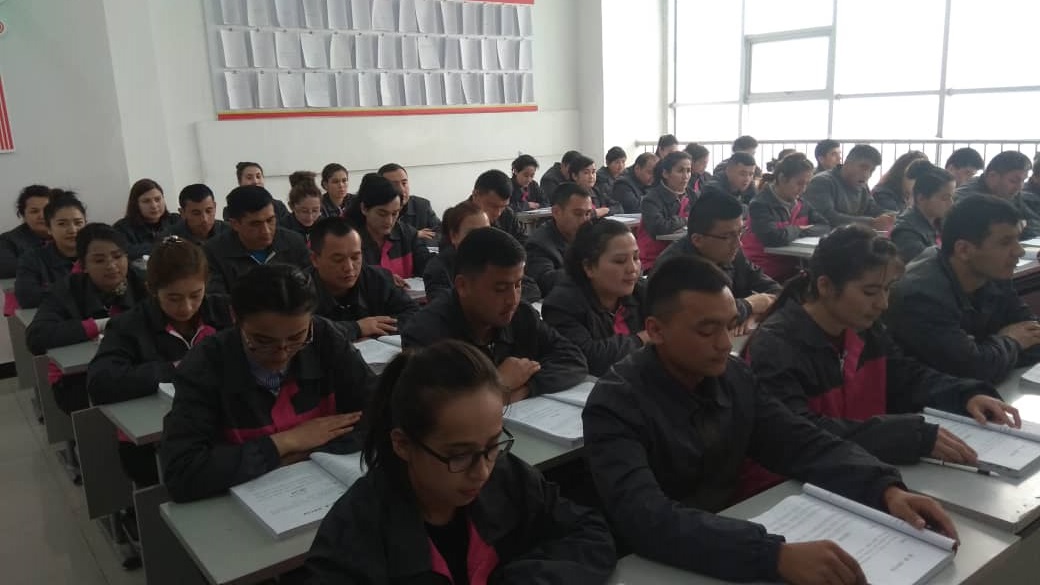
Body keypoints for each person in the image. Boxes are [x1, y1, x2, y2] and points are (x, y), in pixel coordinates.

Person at [582, 254, 957, 583]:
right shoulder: (616, 404)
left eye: (729, 325)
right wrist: (771, 555)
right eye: (707, 330)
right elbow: (646, 519)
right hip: (656, 565)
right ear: (655, 331)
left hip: (730, 539)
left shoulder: (732, 377)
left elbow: (799, 441)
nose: (725, 344)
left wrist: (884, 488)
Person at [306, 340, 616, 583]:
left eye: (492, 445)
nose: (481, 472)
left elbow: (589, 533)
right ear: (403, 444)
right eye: (459, 455)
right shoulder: (355, 531)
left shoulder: (507, 478)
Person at [747, 225, 1017, 487]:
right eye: (870, 292)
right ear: (826, 286)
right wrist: (906, 435)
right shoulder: (775, 346)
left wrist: (965, 395)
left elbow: (905, 376)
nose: (883, 303)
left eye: (887, 288)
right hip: (790, 484)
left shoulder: (863, 328)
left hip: (862, 466)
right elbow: (798, 432)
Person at [159, 264, 374, 503]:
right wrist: (285, 442)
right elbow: (181, 474)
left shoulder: (325, 338)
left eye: (297, 337)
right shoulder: (205, 365)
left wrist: (304, 452)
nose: (282, 353)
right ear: (234, 317)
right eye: (263, 340)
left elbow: (381, 415)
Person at [87, 236, 233, 488]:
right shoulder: (128, 325)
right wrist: (178, 368)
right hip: (153, 439)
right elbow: (101, 383)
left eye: (196, 295)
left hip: (220, 424)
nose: (186, 307)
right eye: (173, 298)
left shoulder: (224, 310)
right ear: (152, 290)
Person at [403, 227, 587, 402]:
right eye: (500, 289)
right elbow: (433, 407)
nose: (512, 300)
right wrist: (496, 384)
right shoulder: (426, 334)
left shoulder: (521, 315)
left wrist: (524, 389)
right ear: (463, 286)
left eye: (518, 285)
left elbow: (573, 359)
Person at [887, 195, 1040, 384]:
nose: (1019, 251)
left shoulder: (994, 273)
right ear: (964, 250)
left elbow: (1032, 332)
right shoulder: (921, 295)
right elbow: (972, 369)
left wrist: (994, 353)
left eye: (1017, 239)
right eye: (1005, 242)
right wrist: (1012, 341)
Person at [27, 223, 147, 415]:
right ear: (83, 265)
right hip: (78, 377)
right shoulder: (66, 290)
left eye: (118, 257)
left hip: (130, 368)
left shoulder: (144, 284)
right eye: (99, 260)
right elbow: (37, 337)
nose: (112, 266)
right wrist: (99, 325)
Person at [656, 193, 780, 332]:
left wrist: (756, 315)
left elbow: (777, 291)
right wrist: (750, 305)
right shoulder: (672, 268)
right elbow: (702, 317)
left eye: (740, 232)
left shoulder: (732, 253)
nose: (739, 243)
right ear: (698, 240)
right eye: (727, 236)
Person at [542, 219, 646, 376]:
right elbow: (588, 358)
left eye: (636, 257)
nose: (632, 268)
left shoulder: (641, 292)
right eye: (620, 261)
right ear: (589, 267)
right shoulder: (562, 305)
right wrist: (641, 339)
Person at [308, 217, 419, 341]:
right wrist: (356, 329)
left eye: (355, 257)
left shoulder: (377, 279)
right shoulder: (299, 289)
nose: (349, 267)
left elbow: (414, 313)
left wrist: (374, 332)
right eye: (338, 260)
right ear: (315, 260)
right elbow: (304, 333)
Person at [204, 185, 311, 295]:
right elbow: (218, 299)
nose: (266, 231)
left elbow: (309, 288)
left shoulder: (294, 242)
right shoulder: (214, 252)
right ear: (235, 224)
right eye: (255, 224)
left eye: (270, 220)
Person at [743, 152, 831, 282]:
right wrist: (799, 229)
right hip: (762, 271)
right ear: (782, 178)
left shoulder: (802, 204)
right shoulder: (760, 205)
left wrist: (794, 231)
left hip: (791, 268)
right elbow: (773, 237)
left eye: (807, 184)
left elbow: (824, 226)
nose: (803, 189)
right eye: (799, 183)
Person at [346, 173, 432, 283]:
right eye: (382, 214)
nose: (389, 221)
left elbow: (428, 265)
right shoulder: (348, 240)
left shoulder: (407, 234)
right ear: (364, 209)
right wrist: (383, 279)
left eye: (395, 213)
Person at [15, 191, 87, 308]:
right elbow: (27, 298)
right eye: (62, 224)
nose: (72, 230)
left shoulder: (100, 252)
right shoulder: (32, 259)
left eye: (78, 223)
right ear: (49, 228)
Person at [524, 182, 595, 297]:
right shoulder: (538, 244)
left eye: (588, 214)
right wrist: (592, 270)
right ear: (556, 212)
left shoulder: (590, 234)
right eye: (578, 214)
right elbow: (546, 281)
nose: (584, 220)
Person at [803, 144, 893, 230]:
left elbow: (874, 209)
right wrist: (871, 223)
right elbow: (826, 217)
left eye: (872, 170)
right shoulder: (822, 181)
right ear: (847, 163)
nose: (867, 174)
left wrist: (892, 216)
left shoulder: (862, 185)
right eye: (863, 167)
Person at [954, 150, 1040, 239]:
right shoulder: (966, 198)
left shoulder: (1011, 193)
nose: (1020, 187)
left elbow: (1032, 222)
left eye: (1023, 180)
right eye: (1013, 181)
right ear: (993, 176)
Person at [890, 164, 956, 263]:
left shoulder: (940, 221)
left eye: (952, 197)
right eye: (945, 198)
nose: (951, 203)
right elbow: (929, 265)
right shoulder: (906, 233)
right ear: (921, 198)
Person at [638, 151, 691, 271]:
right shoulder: (651, 199)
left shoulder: (691, 195)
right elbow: (659, 227)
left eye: (688, 171)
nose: (686, 176)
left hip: (683, 255)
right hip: (654, 258)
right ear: (665, 173)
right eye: (680, 171)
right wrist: (685, 220)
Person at [114, 179, 181, 260]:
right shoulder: (122, 228)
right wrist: (163, 245)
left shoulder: (175, 220)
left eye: (157, 199)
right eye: (146, 201)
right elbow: (125, 252)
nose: (154, 205)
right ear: (136, 204)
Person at [380, 163, 442, 244]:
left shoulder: (422, 206)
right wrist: (414, 235)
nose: (402, 190)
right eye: (393, 185)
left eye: (404, 183)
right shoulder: (376, 209)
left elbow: (440, 234)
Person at [0, 185, 51, 278]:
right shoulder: (7, 240)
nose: (42, 216)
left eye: (47, 210)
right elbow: (6, 269)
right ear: (23, 215)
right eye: (34, 211)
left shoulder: (70, 234)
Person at [468, 169, 527, 243]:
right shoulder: (460, 219)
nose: (498, 213)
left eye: (503, 207)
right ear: (475, 195)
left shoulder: (507, 214)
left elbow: (524, 242)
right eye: (492, 206)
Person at [162, 184, 229, 245]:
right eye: (196, 214)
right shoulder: (169, 239)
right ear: (182, 213)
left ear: (215, 206)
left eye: (209, 211)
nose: (204, 219)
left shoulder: (229, 231)